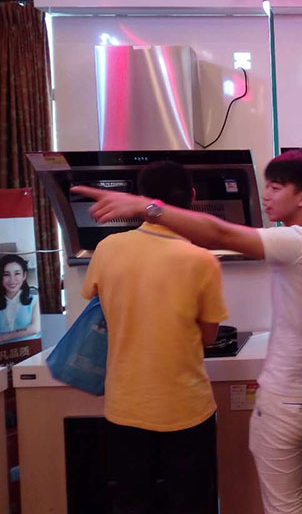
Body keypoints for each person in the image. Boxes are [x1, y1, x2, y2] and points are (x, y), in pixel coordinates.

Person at [73, 150, 302, 514]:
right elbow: (208, 333)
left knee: (284, 505)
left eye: (276, 187)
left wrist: (145, 207)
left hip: (285, 397)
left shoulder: (299, 241)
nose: (266, 195)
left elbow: (221, 233)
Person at [81, 161, 228, 513]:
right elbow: (209, 337)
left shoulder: (108, 248)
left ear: (140, 199)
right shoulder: (202, 260)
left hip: (125, 405)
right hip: (186, 407)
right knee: (191, 502)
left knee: (132, 501)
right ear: (193, 197)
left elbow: (97, 300)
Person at [0, 254, 40, 338]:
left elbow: (35, 328)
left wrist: (3, 337)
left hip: (31, 345)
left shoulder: (34, 299)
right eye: (6, 274)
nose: (12, 280)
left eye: (17, 273)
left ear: (24, 276)